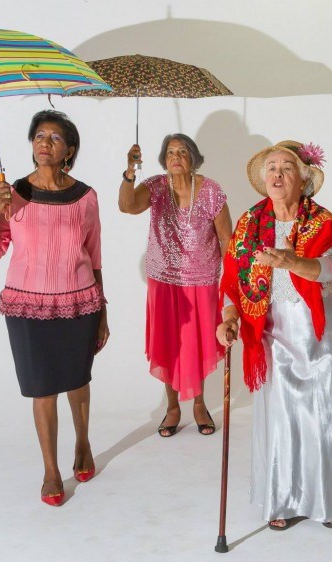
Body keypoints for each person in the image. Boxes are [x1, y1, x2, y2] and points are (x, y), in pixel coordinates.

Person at [217, 140, 332, 530]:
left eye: (286, 167)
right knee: (281, 419)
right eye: (271, 168)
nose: (277, 174)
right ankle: (281, 501)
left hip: (320, 330)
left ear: (303, 178)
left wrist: (290, 261)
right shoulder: (249, 224)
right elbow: (232, 281)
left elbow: (330, 268)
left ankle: (328, 501)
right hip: (270, 331)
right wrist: (229, 316)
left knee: (324, 414)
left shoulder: (324, 221)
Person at [0, 110, 109, 507]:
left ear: (69, 150)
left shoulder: (86, 197)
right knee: (42, 389)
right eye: (39, 136)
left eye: (54, 137)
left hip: (79, 302)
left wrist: (102, 310)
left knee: (77, 380)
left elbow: (96, 256)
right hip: (26, 306)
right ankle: (51, 470)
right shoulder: (12, 193)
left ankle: (83, 442)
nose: (44, 142)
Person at [119, 135, 232, 437]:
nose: (176, 156)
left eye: (182, 151)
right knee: (169, 342)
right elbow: (127, 206)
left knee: (198, 342)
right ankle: (172, 407)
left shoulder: (211, 191)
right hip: (163, 278)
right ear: (163, 158)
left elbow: (226, 238)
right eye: (170, 152)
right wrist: (130, 171)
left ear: (193, 158)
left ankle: (198, 404)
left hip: (202, 278)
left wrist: (232, 277)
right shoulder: (155, 187)